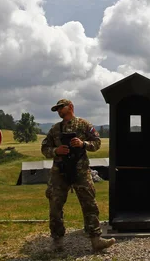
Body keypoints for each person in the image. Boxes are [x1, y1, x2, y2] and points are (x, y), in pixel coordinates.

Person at [40, 98, 116, 252]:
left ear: (71, 107)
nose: (59, 111)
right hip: (59, 172)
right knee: (55, 206)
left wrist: (83, 144)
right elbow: (44, 148)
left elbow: (97, 143)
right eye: (57, 109)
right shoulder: (55, 129)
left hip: (80, 170)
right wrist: (56, 151)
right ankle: (57, 242)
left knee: (89, 204)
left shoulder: (84, 124)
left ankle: (96, 240)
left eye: (61, 108)